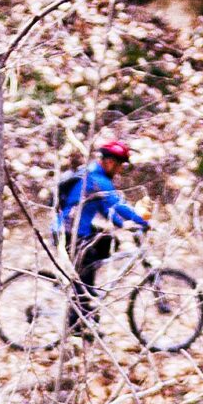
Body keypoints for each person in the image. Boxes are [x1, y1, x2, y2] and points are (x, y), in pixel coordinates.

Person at [53, 138, 151, 332]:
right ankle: (78, 323)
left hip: (73, 230)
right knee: (84, 272)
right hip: (70, 234)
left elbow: (107, 210)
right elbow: (117, 205)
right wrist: (142, 222)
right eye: (120, 165)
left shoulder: (90, 175)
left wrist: (123, 224)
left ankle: (86, 304)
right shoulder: (97, 180)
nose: (121, 170)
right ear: (110, 162)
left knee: (106, 242)